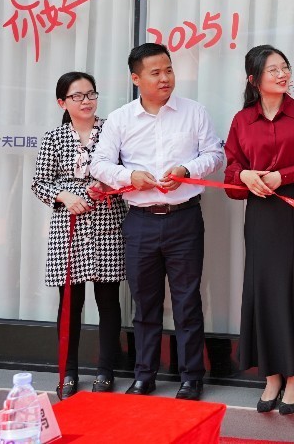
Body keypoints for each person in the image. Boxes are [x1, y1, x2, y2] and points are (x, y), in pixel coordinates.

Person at [91, 43, 224, 400]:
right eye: (155, 72)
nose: (165, 78)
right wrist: (129, 177)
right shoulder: (120, 119)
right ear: (136, 79)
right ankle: (144, 375)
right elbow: (99, 163)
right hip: (141, 222)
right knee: (144, 303)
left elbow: (215, 155)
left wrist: (187, 170)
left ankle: (191, 376)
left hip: (184, 219)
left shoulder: (194, 112)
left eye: (169, 70)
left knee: (187, 301)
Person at [223, 45, 294, 414]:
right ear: (254, 79)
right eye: (273, 69)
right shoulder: (242, 120)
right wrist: (244, 175)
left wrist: (281, 175)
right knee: (263, 290)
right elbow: (230, 169)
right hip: (260, 215)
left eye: (284, 67)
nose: (282, 74)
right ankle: (271, 375)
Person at [31, 72, 128, 397]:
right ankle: (67, 372)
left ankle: (106, 371)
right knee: (70, 303)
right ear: (63, 102)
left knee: (108, 300)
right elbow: (40, 183)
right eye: (77, 96)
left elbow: (127, 171)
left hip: (107, 222)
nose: (86, 101)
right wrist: (65, 196)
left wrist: (109, 185)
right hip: (68, 225)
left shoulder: (112, 130)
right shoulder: (54, 137)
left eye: (91, 94)